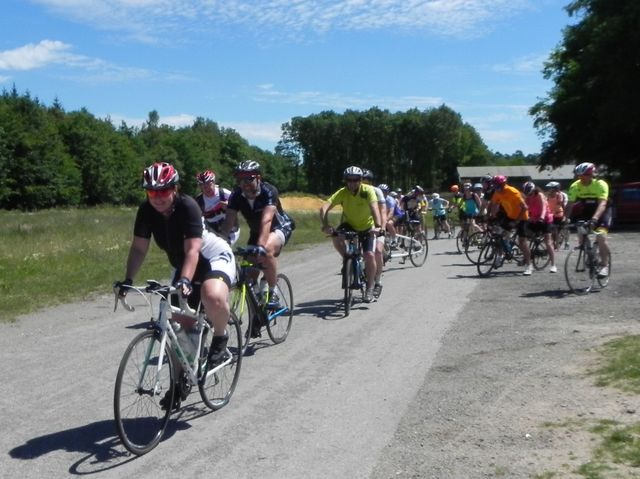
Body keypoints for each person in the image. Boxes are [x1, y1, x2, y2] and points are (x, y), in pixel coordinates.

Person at [116, 162, 236, 410]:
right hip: (183, 266)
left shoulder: (188, 206)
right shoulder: (146, 211)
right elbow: (139, 248)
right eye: (152, 192)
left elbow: (192, 250)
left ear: (175, 188)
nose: (157, 198)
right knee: (183, 329)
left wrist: (184, 280)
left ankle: (221, 337)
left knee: (211, 295)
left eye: (163, 191)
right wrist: (127, 280)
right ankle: (180, 382)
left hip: (212, 257)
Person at [220, 160, 294, 319]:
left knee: (265, 251)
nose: (244, 183)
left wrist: (260, 246)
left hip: (278, 227)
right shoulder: (236, 195)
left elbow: (267, 220)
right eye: (240, 179)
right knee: (248, 276)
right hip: (257, 232)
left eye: (249, 178)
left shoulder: (269, 191)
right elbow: (228, 221)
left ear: (258, 178)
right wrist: (221, 242)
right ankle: (257, 317)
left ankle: (273, 291)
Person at [319, 166, 382, 303]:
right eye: (349, 180)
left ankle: (370, 287)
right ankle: (347, 258)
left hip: (367, 226)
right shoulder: (343, 192)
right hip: (350, 224)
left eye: (355, 180)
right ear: (345, 180)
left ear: (360, 180)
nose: (352, 183)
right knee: (335, 236)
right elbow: (324, 208)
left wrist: (378, 226)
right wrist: (325, 225)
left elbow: (374, 208)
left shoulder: (368, 191)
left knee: (369, 255)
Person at [565, 162, 612, 278]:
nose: (581, 178)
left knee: (600, 237)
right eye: (579, 176)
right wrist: (565, 219)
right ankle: (590, 254)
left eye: (584, 175)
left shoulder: (600, 184)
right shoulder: (575, 186)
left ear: (592, 175)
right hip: (586, 211)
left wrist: (595, 219)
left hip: (602, 212)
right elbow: (570, 205)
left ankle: (604, 265)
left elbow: (602, 204)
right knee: (581, 235)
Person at [487, 175, 533, 275]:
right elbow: (494, 204)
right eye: (494, 186)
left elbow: (524, 208)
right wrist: (491, 216)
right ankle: (501, 256)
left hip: (522, 217)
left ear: (504, 184)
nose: (496, 188)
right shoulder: (497, 192)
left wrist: (516, 221)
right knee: (498, 235)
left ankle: (529, 265)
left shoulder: (513, 192)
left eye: (497, 186)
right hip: (510, 216)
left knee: (522, 242)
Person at [195, 169, 240, 245]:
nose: (206, 188)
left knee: (223, 247)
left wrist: (230, 206)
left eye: (208, 184)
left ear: (214, 182)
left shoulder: (223, 193)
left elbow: (241, 205)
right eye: (202, 185)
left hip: (231, 230)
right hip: (213, 231)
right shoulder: (199, 201)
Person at [522, 181, 557, 273]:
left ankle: (553, 265)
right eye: (527, 193)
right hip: (534, 219)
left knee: (548, 242)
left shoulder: (540, 195)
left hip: (545, 219)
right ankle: (535, 245)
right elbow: (525, 208)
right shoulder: (528, 197)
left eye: (530, 192)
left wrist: (541, 218)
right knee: (524, 235)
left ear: (534, 190)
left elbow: (544, 208)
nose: (529, 194)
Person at [362, 170, 386, 298]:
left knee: (377, 251)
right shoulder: (356, 191)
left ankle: (377, 282)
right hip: (362, 225)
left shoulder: (377, 191)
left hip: (377, 226)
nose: (363, 184)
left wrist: (381, 227)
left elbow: (382, 211)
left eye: (366, 181)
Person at [545, 181, 569, 250]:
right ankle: (554, 243)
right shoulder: (548, 195)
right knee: (552, 230)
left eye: (551, 188)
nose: (549, 190)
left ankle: (565, 243)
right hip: (551, 214)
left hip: (559, 214)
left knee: (561, 229)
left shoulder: (561, 195)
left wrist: (565, 215)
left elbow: (563, 205)